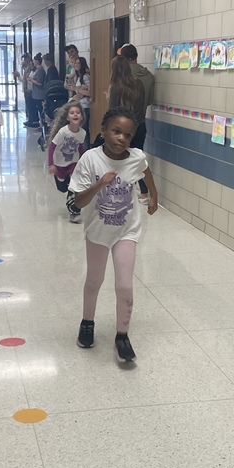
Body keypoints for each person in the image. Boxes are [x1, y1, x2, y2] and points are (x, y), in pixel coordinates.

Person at [68, 108, 158, 364]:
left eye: (127, 135)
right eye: (116, 131)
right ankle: (87, 323)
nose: (122, 138)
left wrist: (154, 195)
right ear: (103, 131)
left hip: (126, 230)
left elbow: (145, 170)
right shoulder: (90, 159)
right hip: (98, 231)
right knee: (94, 281)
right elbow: (78, 202)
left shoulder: (136, 157)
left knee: (124, 285)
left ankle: (122, 336)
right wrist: (100, 184)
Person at [119, 44, 155, 199]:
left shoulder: (124, 76)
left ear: (124, 58)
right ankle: (144, 192)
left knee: (123, 157)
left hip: (125, 123)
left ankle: (126, 190)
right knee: (138, 157)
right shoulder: (149, 76)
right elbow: (150, 101)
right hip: (141, 122)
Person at [47, 103, 87, 223]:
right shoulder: (63, 132)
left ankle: (74, 212)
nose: (75, 115)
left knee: (73, 187)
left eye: (78, 113)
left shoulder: (82, 133)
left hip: (73, 163)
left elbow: (80, 148)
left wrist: (81, 162)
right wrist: (51, 164)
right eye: (72, 113)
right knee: (62, 188)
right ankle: (62, 183)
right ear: (67, 117)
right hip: (59, 164)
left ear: (81, 117)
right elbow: (52, 147)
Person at [65, 55, 91, 131]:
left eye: (78, 63)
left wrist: (76, 88)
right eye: (75, 63)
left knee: (83, 127)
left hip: (85, 105)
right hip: (80, 104)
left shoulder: (85, 76)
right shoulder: (79, 76)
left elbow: (89, 92)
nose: (75, 65)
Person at [27, 53, 45, 127]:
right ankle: (41, 124)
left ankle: (42, 125)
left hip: (39, 94)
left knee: (41, 110)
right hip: (36, 94)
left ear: (37, 61)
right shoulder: (37, 70)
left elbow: (40, 83)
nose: (33, 62)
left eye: (34, 61)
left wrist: (31, 80)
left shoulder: (40, 71)